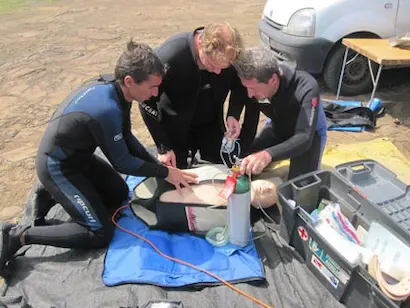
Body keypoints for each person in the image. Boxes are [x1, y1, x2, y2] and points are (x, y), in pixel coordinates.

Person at [0, 41, 198, 272]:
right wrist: (164, 172)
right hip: (57, 167)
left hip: (80, 159)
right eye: (152, 87)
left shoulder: (116, 90)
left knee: (120, 193)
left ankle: (50, 194)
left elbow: (126, 136)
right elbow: (122, 161)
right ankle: (18, 236)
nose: (155, 93)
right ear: (129, 81)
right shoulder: (107, 108)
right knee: (99, 232)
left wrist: (157, 165)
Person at [138, 22, 257, 169]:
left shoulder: (229, 56)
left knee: (220, 171)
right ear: (201, 44)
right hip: (175, 127)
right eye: (213, 65)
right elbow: (144, 102)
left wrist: (233, 114)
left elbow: (239, 85)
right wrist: (163, 147)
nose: (217, 72)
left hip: (211, 123)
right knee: (179, 177)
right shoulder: (170, 56)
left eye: (223, 68)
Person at [232, 46, 328, 179]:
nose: (249, 94)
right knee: (242, 164)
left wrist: (267, 155)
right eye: (246, 88)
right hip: (279, 127)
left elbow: (304, 137)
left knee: (300, 188)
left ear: (273, 80)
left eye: (253, 89)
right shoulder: (254, 83)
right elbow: (250, 117)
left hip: (308, 137)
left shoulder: (306, 87)